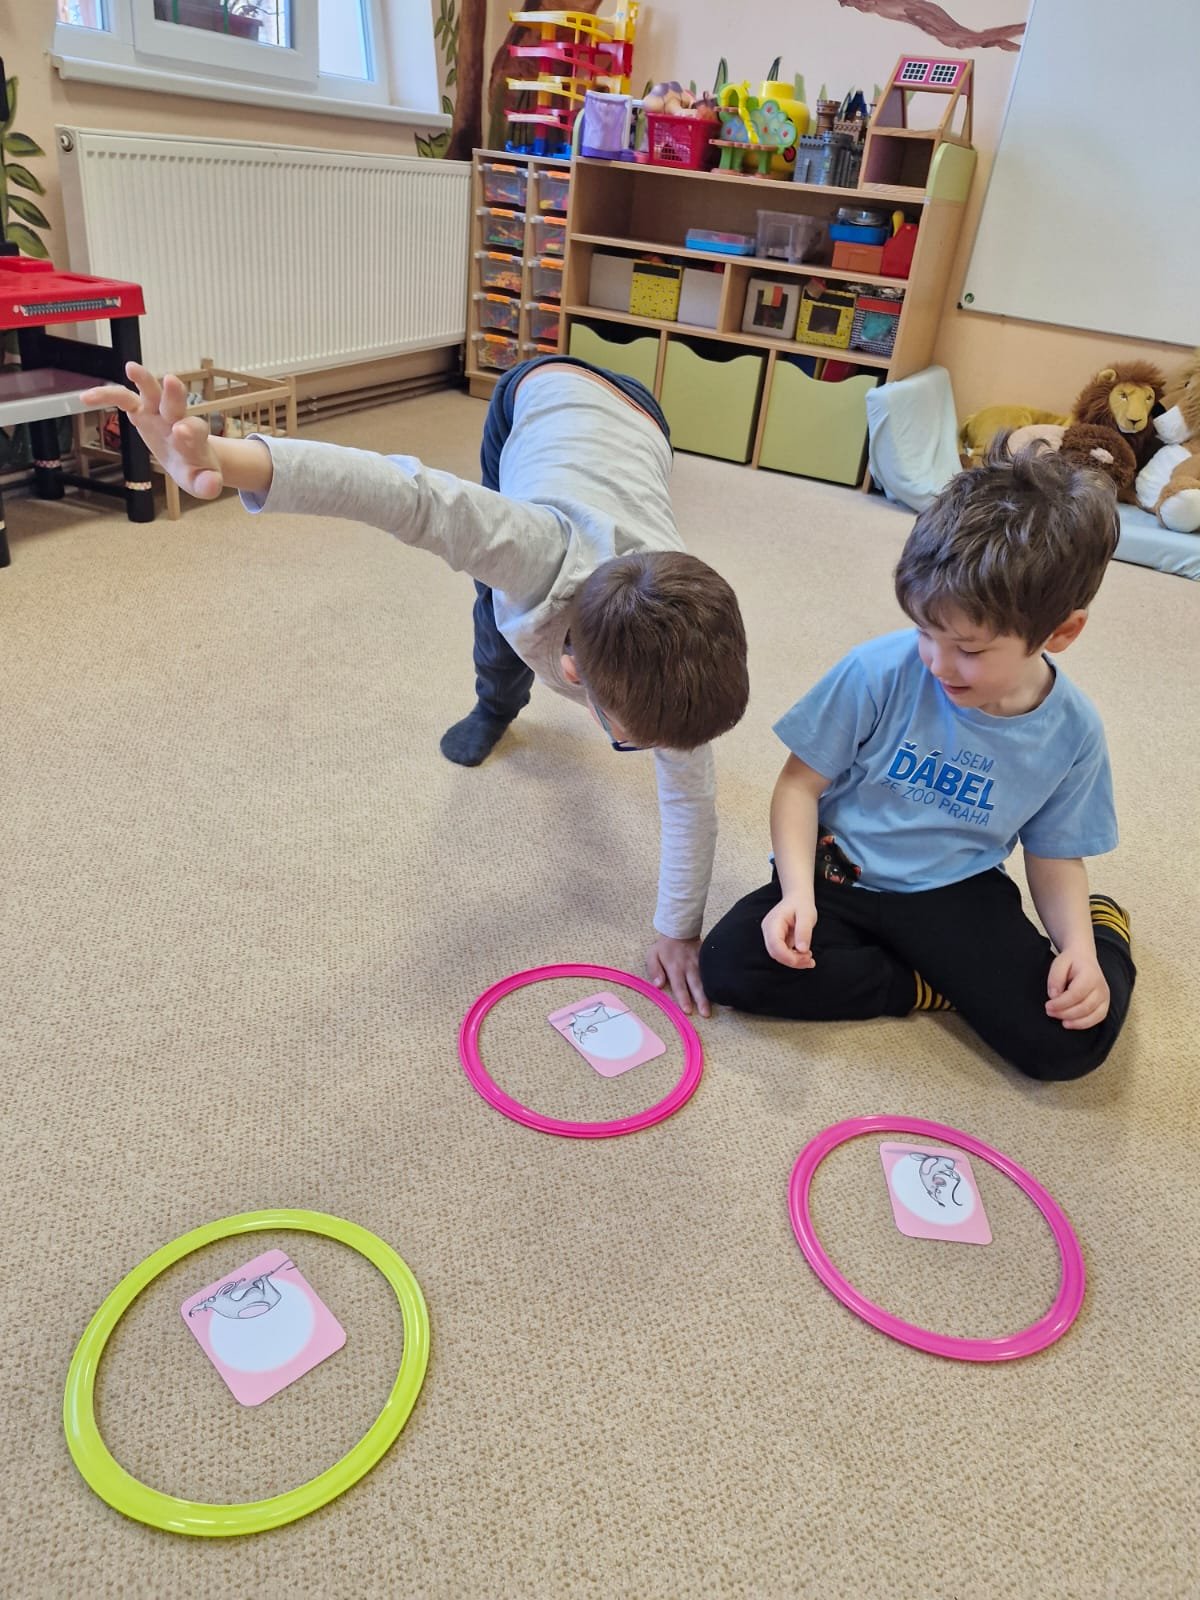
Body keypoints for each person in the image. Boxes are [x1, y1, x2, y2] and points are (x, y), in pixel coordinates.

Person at [84, 355, 749, 1016]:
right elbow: (401, 493)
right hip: (538, 392)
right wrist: (223, 460)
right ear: (572, 674)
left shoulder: (688, 641)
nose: (667, 754)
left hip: (641, 427)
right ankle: (495, 705)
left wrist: (678, 929)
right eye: (637, 742)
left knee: (545, 640)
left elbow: (691, 800)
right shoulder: (525, 551)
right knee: (496, 621)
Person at [699, 441, 1135, 1080]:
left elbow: (1054, 855)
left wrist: (1079, 950)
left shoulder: (1073, 732)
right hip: (838, 876)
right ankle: (920, 985)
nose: (937, 662)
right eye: (925, 632)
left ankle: (1107, 929)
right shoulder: (877, 670)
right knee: (730, 965)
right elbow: (798, 786)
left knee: (1067, 1043)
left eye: (969, 649)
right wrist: (796, 895)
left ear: (1061, 632)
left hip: (954, 890)